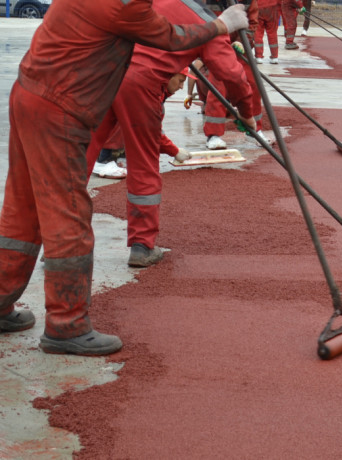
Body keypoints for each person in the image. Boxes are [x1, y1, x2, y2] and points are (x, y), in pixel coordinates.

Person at [0, 0, 249, 356]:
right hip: (60, 106)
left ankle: (1, 302)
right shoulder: (123, 3)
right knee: (67, 213)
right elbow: (170, 36)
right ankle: (67, 325)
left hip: (32, 93)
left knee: (22, 209)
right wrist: (221, 26)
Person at [85, 0, 256, 269]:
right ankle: (142, 245)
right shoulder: (210, 24)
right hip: (141, 83)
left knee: (80, 156)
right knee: (143, 164)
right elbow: (233, 76)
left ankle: (60, 240)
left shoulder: (159, 2)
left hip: (102, 73)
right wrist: (247, 111)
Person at [202, 0, 271, 150]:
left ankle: (254, 130)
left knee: (253, 84)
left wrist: (242, 41)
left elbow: (252, 23)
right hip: (217, 44)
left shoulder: (248, 1)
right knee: (218, 87)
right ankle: (213, 135)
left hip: (241, 47)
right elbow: (202, 18)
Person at [254, 0, 280, 64]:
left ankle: (258, 57)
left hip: (258, 6)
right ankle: (274, 57)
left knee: (258, 33)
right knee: (272, 32)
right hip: (272, 6)